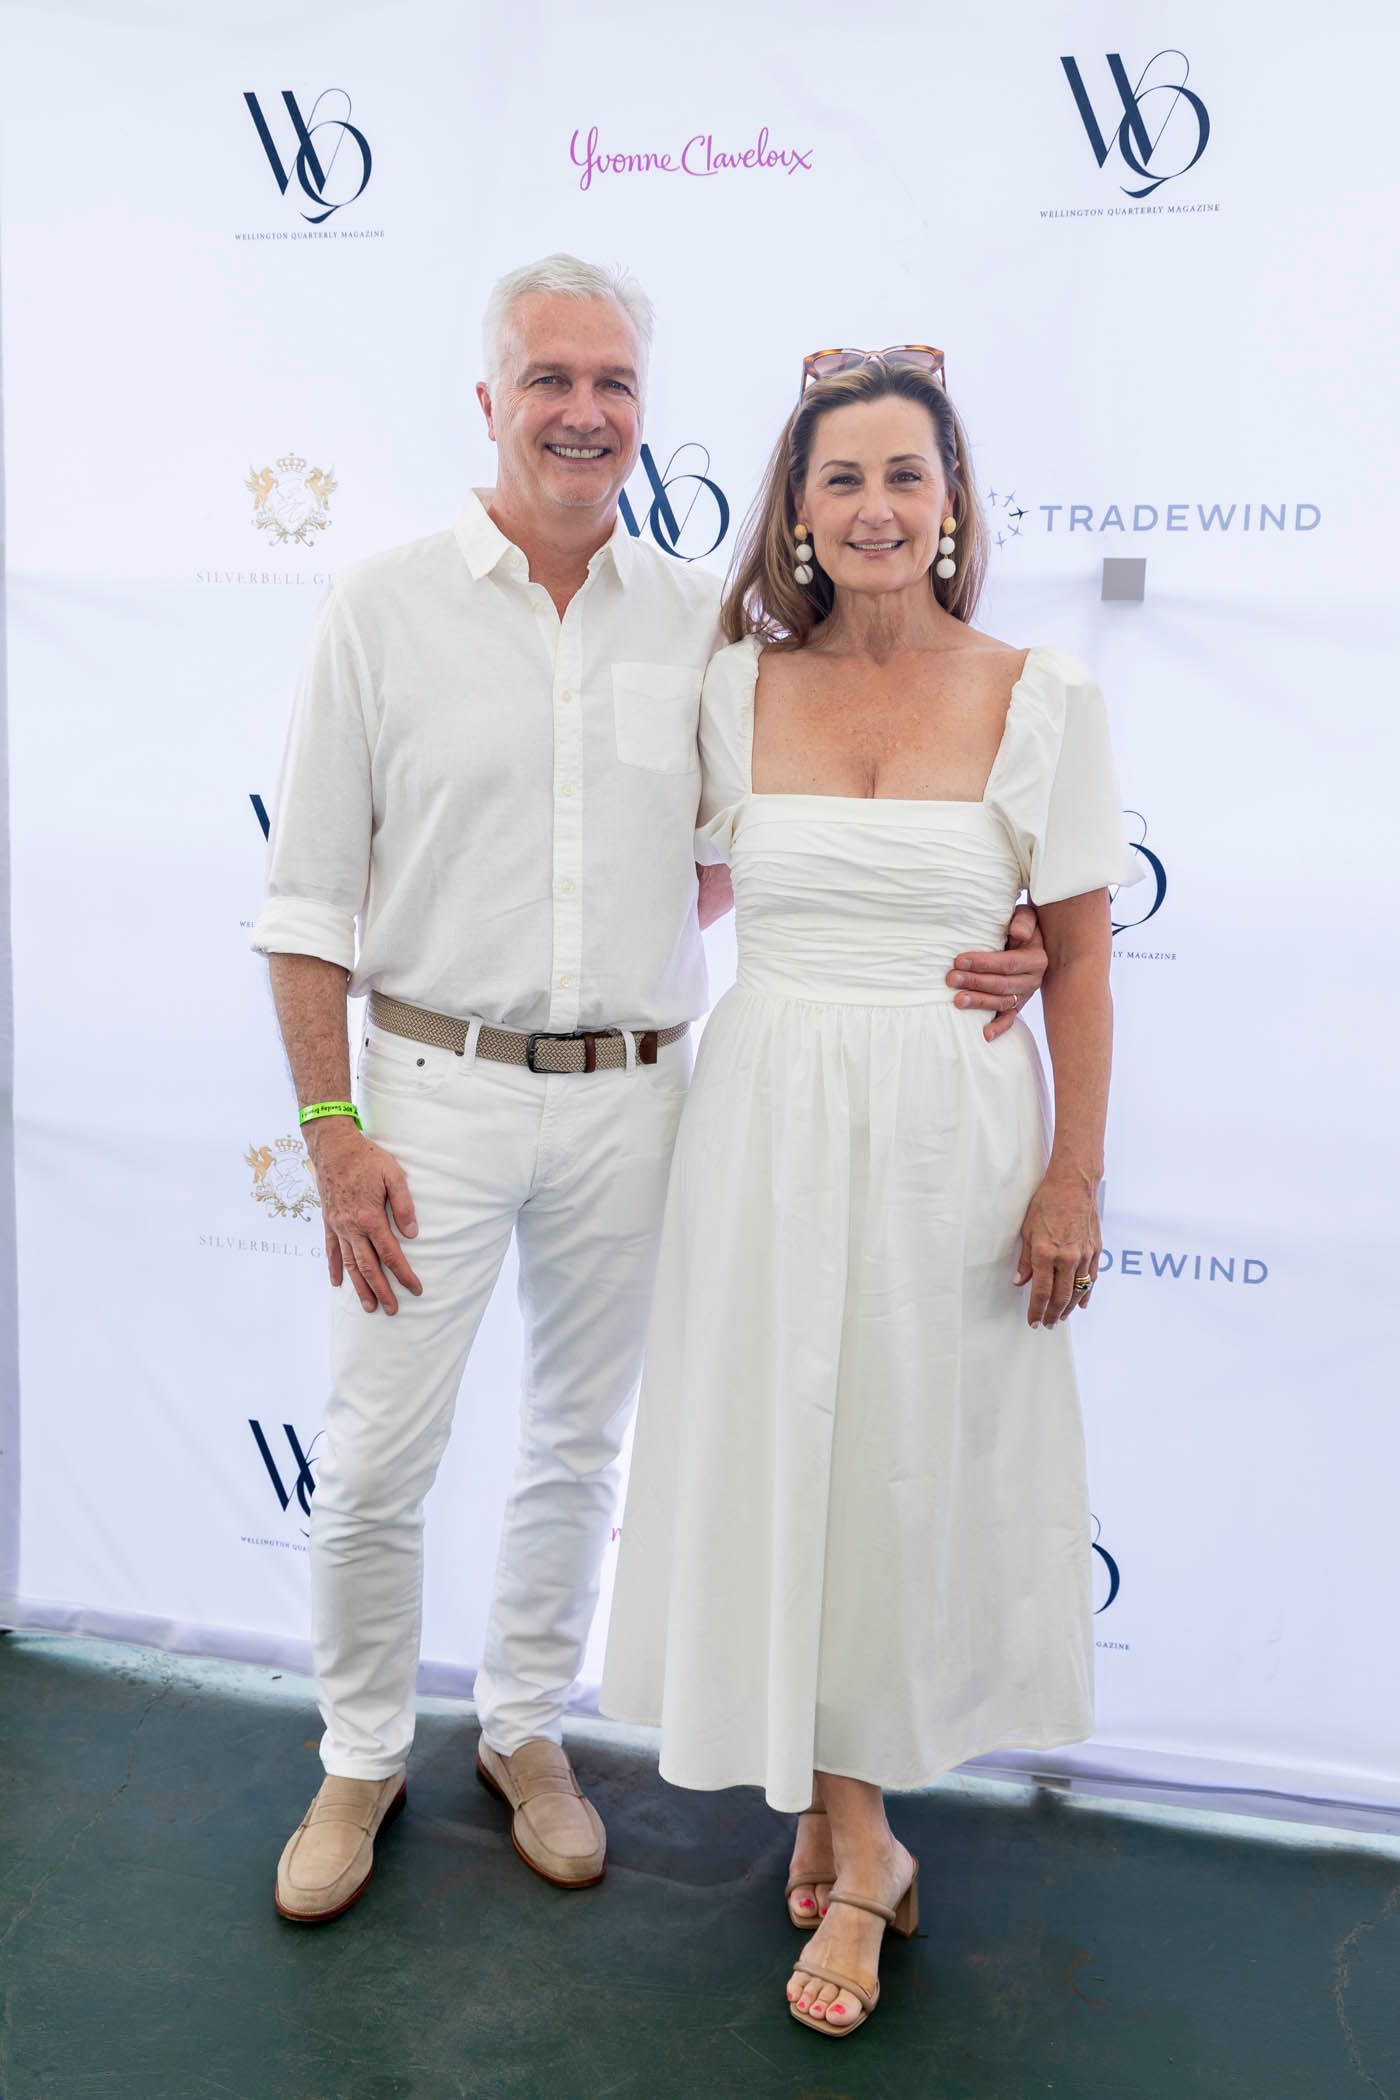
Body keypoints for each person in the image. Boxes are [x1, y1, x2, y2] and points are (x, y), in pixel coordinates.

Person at [253, 261, 1049, 1925]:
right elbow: (308, 899)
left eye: (614, 381)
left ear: (643, 413)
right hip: (424, 1096)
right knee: (378, 1450)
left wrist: (1009, 927)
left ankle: (528, 1731)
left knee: (575, 1446)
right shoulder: (381, 608)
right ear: (490, 400)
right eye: (550, 376)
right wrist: (334, 1130)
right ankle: (358, 1755)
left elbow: (775, 839)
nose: (584, 409)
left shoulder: (701, 624)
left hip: (641, 1098)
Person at [601, 347, 1138, 2038]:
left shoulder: (1046, 695)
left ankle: (852, 1821)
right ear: (798, 512)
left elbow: (1079, 970)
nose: (878, 508)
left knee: (899, 1476)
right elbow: (652, 902)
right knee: (790, 1456)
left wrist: (1074, 1174)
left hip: (952, 1134)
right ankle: (865, 1841)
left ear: (955, 501)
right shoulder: (729, 687)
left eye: (908, 475)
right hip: (764, 1119)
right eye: (843, 480)